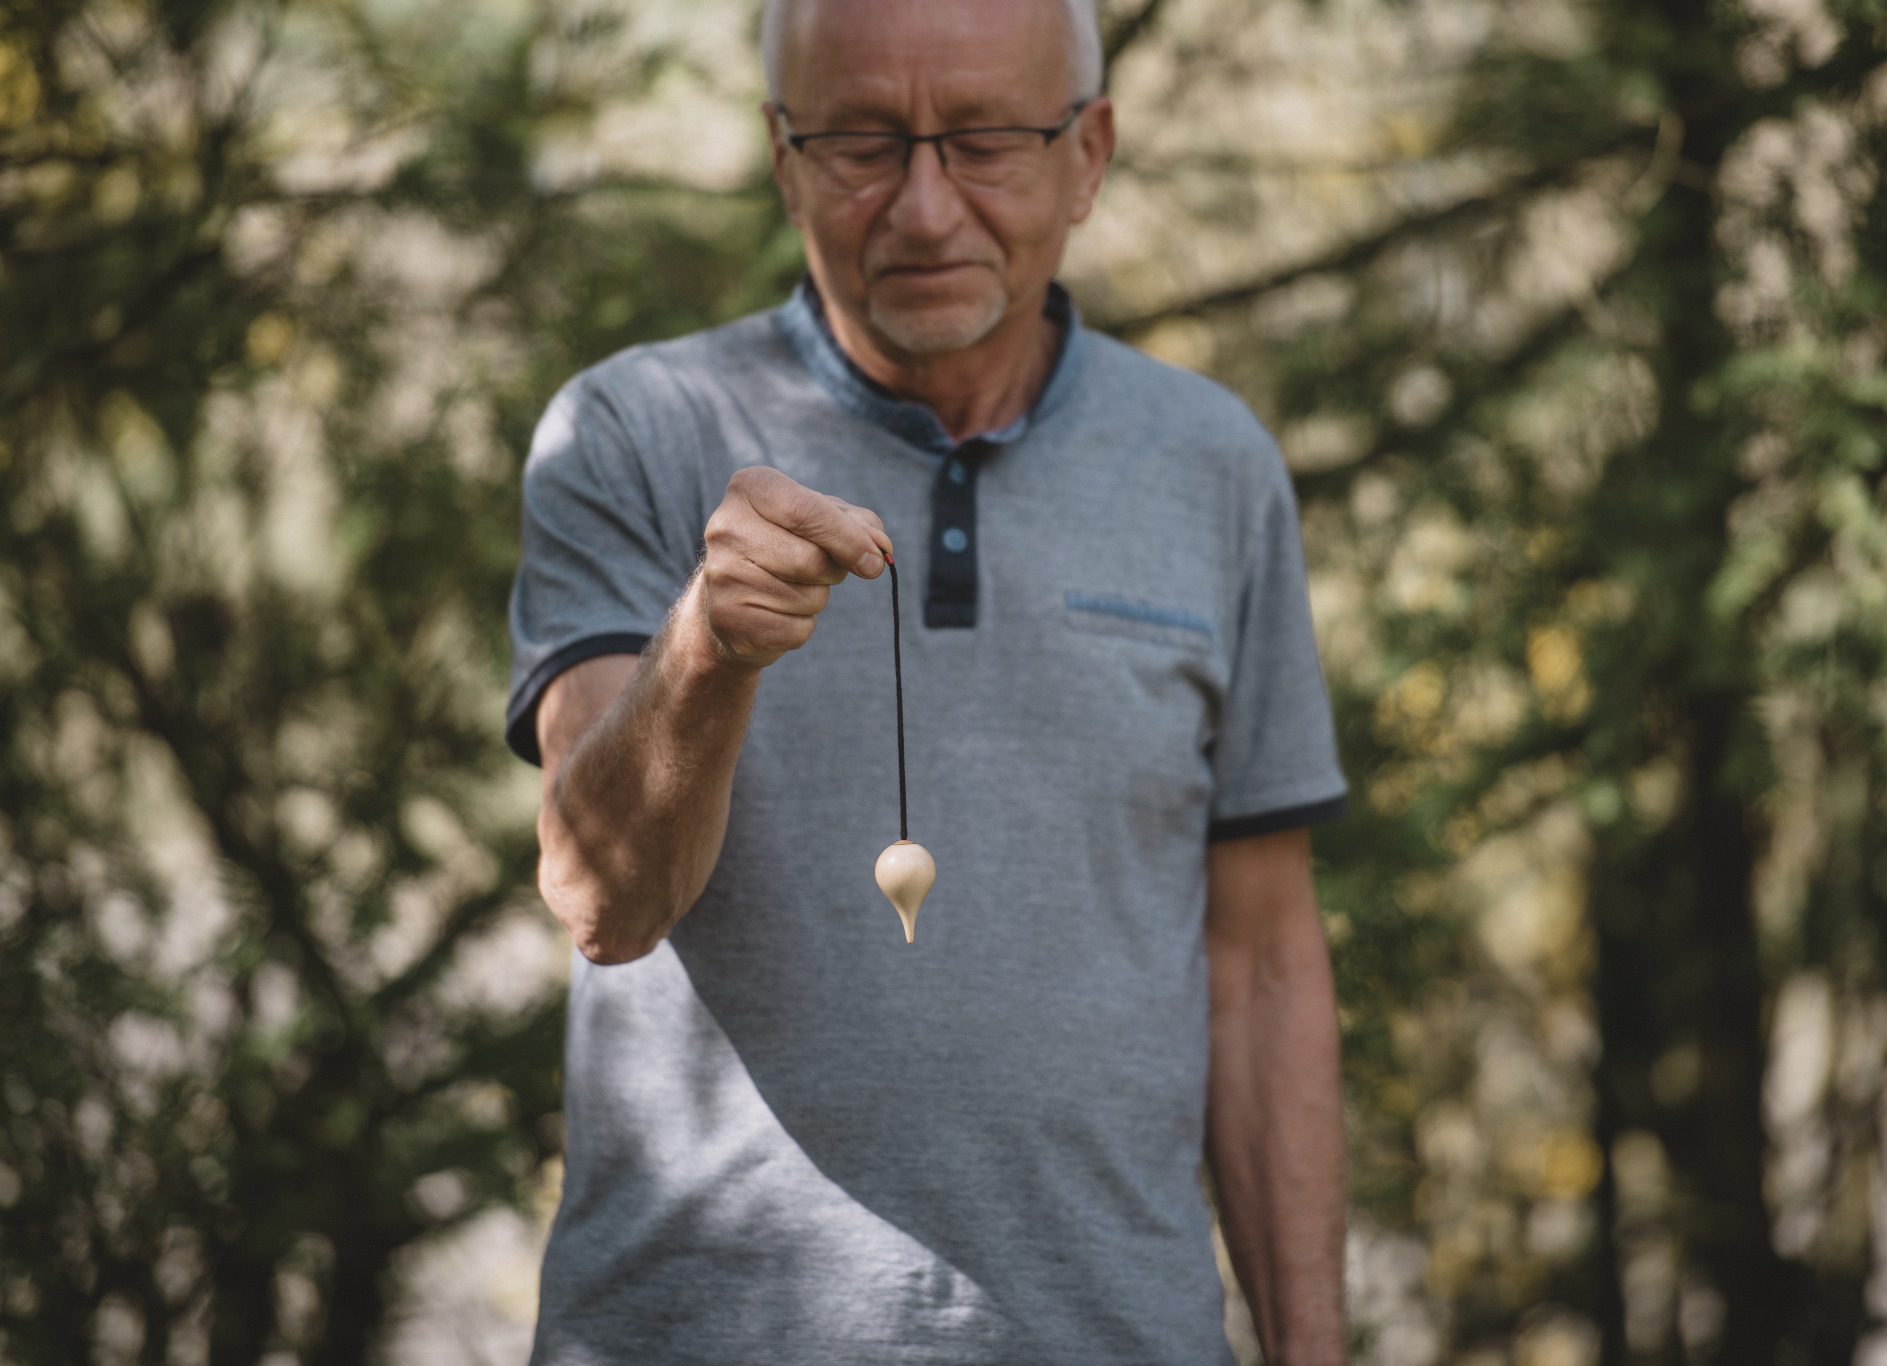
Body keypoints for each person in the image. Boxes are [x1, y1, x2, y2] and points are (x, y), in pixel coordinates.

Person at [505, 0, 1348, 1359]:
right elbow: (602, 899)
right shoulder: (632, 433)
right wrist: (707, 648)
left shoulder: (1214, 466)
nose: (924, 205)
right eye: (862, 142)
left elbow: (1260, 971)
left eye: (985, 140)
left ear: (1089, 153)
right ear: (783, 159)